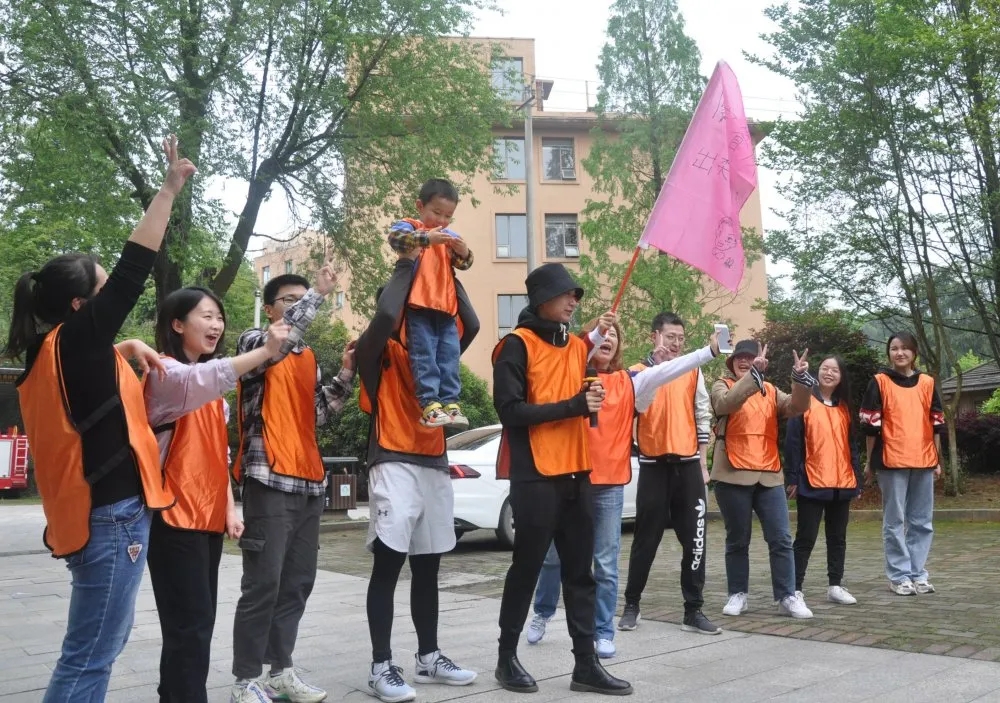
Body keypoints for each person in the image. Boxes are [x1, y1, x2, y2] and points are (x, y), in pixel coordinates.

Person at [5, 135, 196, 702]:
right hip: (113, 517)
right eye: (103, 288)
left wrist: (126, 346)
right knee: (89, 657)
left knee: (95, 648)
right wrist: (168, 190)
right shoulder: (78, 341)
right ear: (79, 306)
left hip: (89, 515)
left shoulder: (48, 352)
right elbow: (136, 264)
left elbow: (85, 395)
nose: (115, 293)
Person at [526, 315, 721, 659]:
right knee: (555, 557)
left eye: (614, 335)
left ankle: (604, 630)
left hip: (611, 484)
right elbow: (572, 353)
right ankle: (542, 611)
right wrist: (595, 333)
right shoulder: (571, 374)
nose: (608, 339)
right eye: (602, 334)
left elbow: (670, 373)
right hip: (571, 479)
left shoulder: (629, 380)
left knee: (605, 562)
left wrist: (710, 351)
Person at [144, 287, 291, 703]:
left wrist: (229, 509)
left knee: (197, 622)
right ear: (177, 324)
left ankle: (176, 695)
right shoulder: (166, 374)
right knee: (188, 624)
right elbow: (209, 377)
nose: (216, 325)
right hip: (171, 517)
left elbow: (217, 454)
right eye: (206, 316)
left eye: (219, 317)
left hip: (205, 518)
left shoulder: (211, 395)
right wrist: (266, 351)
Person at [492, 262, 632, 696]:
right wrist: (574, 405)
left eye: (576, 295)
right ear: (541, 299)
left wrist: (588, 396)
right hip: (534, 476)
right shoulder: (515, 345)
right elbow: (509, 411)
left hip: (577, 473)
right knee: (526, 569)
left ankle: (586, 666)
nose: (574, 300)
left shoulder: (574, 346)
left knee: (581, 575)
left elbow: (576, 389)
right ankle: (505, 659)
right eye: (567, 293)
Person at [356, 256, 480, 703]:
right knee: (389, 564)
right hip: (392, 461)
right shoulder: (375, 350)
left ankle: (428, 658)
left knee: (428, 565)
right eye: (412, 308)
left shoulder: (434, 349)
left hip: (432, 462)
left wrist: (445, 269)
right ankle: (380, 666)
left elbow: (471, 322)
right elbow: (386, 315)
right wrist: (411, 263)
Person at [229, 266, 356, 703]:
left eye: (304, 298)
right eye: (290, 300)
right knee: (262, 583)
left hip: (308, 483)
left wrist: (345, 373)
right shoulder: (253, 342)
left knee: (297, 583)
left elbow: (318, 414)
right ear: (269, 309)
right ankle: (245, 680)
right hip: (268, 477)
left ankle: (280, 672)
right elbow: (277, 345)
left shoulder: (308, 358)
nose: (300, 305)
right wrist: (318, 294)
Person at [618, 312, 720, 636]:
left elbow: (702, 413)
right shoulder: (637, 371)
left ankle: (694, 610)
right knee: (645, 540)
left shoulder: (692, 370)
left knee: (696, 541)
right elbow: (636, 408)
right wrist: (656, 370)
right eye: (670, 337)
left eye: (680, 338)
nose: (676, 344)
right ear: (654, 337)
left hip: (688, 466)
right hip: (653, 466)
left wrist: (702, 462)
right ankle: (632, 604)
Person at [710, 340, 815, 620]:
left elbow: (797, 406)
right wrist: (753, 376)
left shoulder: (771, 390)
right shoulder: (721, 385)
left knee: (781, 538)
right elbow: (726, 404)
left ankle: (787, 595)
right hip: (732, 472)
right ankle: (737, 593)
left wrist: (799, 378)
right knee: (738, 539)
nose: (745, 361)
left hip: (768, 473)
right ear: (732, 362)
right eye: (740, 358)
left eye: (751, 358)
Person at [860, 332, 945, 596]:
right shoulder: (879, 381)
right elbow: (870, 427)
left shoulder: (928, 383)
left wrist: (937, 460)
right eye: (894, 348)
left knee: (922, 521)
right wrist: (869, 462)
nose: (900, 353)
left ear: (914, 352)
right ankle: (899, 576)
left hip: (923, 460)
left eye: (905, 348)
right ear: (889, 353)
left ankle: (918, 573)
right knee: (894, 521)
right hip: (890, 460)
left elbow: (936, 424)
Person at [388, 178, 474, 429]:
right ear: (420, 206)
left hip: (446, 308)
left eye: (448, 216)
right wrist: (426, 238)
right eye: (437, 212)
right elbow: (396, 239)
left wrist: (464, 252)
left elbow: (465, 264)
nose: (442, 221)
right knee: (424, 354)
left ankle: (450, 402)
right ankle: (429, 403)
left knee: (449, 355)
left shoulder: (449, 236)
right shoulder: (411, 226)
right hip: (419, 306)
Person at [785, 356, 862, 606]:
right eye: (824, 369)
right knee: (805, 538)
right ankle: (794, 588)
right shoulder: (804, 402)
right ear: (817, 372)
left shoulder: (845, 407)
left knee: (838, 538)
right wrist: (792, 478)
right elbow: (793, 442)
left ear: (841, 377)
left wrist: (857, 479)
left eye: (834, 370)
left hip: (842, 481)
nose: (829, 373)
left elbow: (852, 446)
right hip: (812, 480)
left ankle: (835, 585)